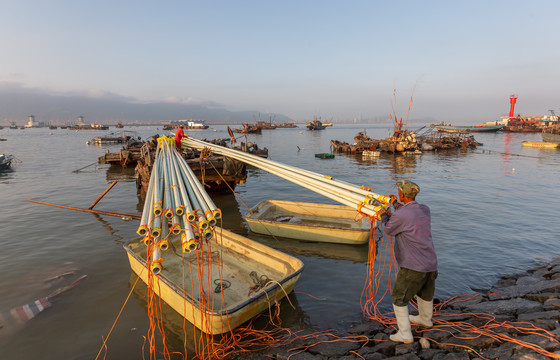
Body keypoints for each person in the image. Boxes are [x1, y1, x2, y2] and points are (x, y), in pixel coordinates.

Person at [378, 180, 438, 344]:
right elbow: (407, 215)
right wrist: (396, 204)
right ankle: (426, 320)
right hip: (430, 262)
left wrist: (384, 215)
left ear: (402, 194)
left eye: (399, 192)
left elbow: (388, 229)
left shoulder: (402, 214)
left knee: (398, 297)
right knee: (425, 293)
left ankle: (405, 334)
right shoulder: (425, 209)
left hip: (413, 265)